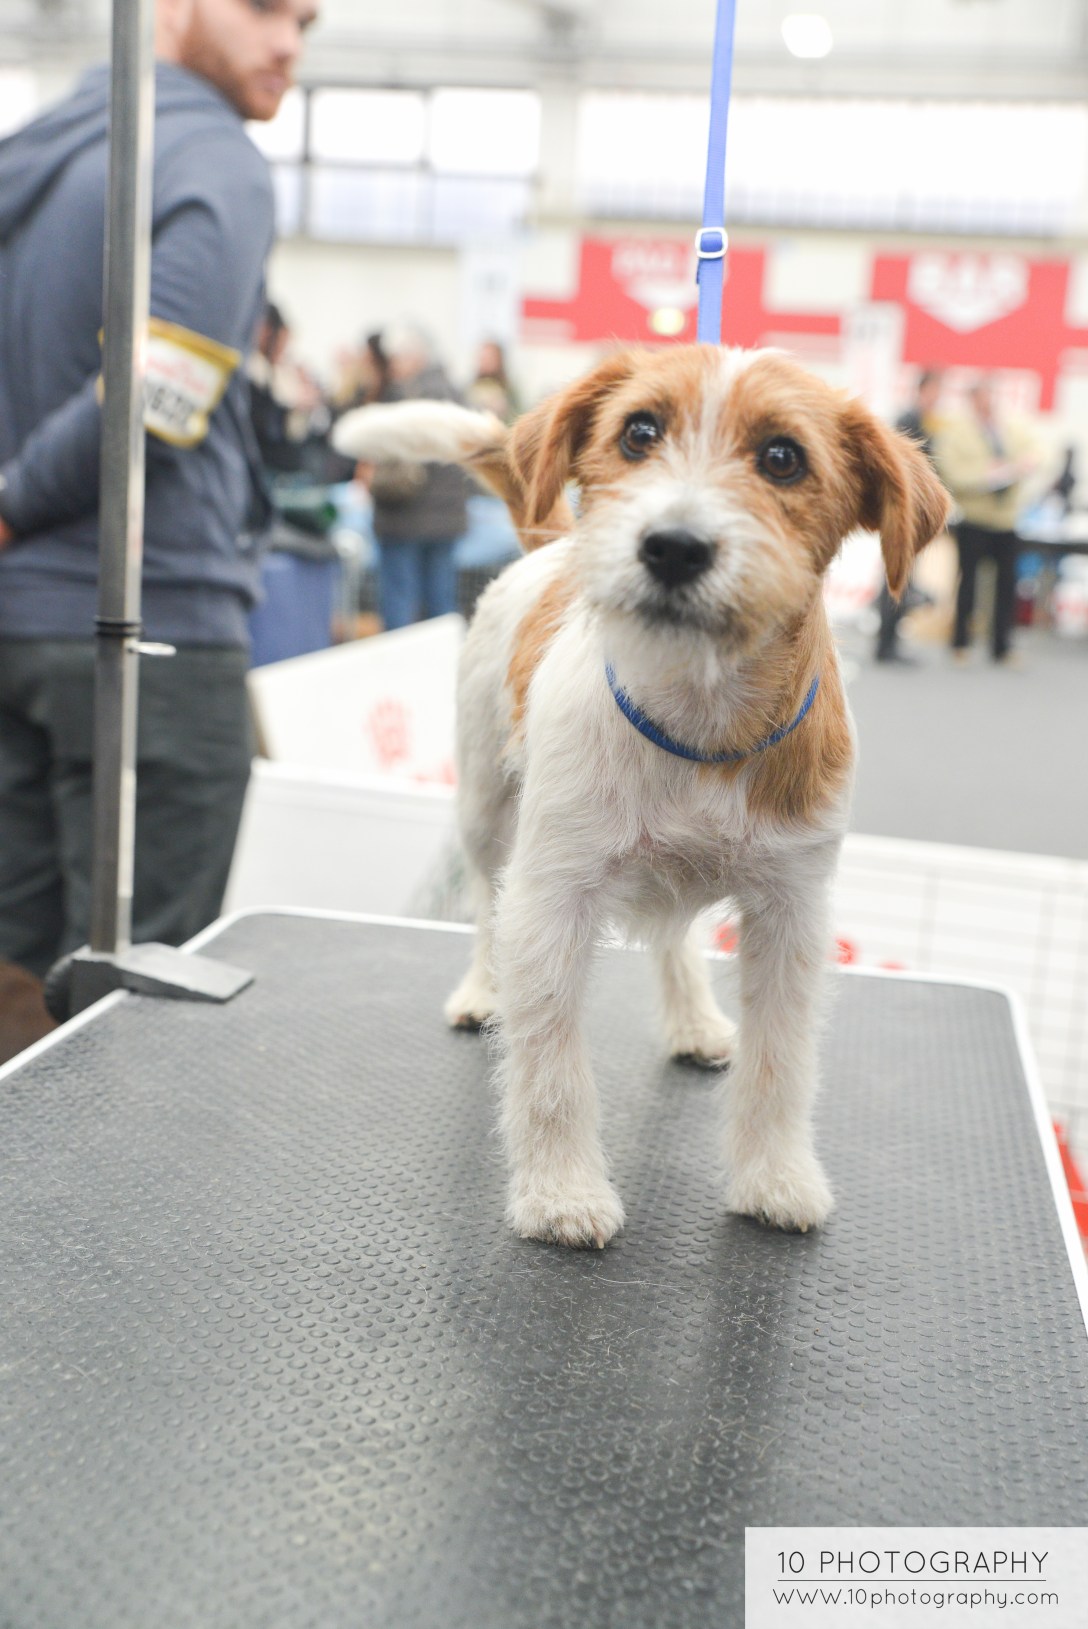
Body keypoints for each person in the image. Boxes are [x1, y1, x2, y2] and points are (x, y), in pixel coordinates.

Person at [0, 0, 318, 982]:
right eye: (265, 9)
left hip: (17, 639)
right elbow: (153, 397)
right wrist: (11, 500)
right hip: (148, 641)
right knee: (130, 1006)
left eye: (307, 24)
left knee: (15, 982)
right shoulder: (214, 158)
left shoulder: (32, 159)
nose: (287, 45)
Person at [365, 323, 471, 632]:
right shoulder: (455, 393)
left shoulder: (405, 395)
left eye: (397, 358)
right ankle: (443, 670)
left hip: (404, 516)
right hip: (448, 518)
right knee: (442, 604)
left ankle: (397, 673)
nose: (394, 366)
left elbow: (387, 454)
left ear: (414, 358)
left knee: (399, 603)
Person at [932, 376, 1041, 667]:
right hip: (975, 519)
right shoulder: (957, 432)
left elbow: (1034, 454)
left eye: (991, 396)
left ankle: (1001, 647)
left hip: (1007, 520)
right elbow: (951, 474)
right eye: (982, 396)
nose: (988, 402)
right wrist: (987, 475)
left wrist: (1020, 466)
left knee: (1007, 585)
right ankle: (960, 642)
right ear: (972, 399)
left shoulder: (1010, 428)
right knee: (968, 583)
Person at [874, 368, 944, 664]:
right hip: (905, 512)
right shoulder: (908, 421)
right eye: (935, 390)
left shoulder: (927, 423)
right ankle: (886, 644)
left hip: (915, 512)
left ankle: (889, 641)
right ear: (923, 390)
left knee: (903, 577)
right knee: (897, 576)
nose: (938, 397)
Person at [464, 338, 522, 426]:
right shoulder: (470, 387)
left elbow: (518, 416)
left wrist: (503, 410)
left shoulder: (509, 389)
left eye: (489, 357)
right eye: (483, 358)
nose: (485, 361)